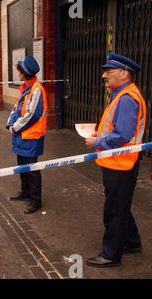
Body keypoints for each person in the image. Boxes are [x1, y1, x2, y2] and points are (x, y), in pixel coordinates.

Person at [85, 53, 147, 267]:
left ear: (123, 74)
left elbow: (123, 134)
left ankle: (111, 254)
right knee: (121, 205)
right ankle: (130, 240)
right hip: (118, 162)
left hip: (121, 163)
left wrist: (97, 143)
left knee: (114, 209)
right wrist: (98, 135)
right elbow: (115, 129)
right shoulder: (121, 94)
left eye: (108, 72)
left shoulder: (128, 98)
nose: (104, 75)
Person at [6, 56, 47, 214]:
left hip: (31, 137)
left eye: (19, 72)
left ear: (25, 73)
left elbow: (32, 115)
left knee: (32, 170)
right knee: (23, 167)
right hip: (22, 137)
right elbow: (16, 109)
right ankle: (25, 192)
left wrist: (15, 128)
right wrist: (10, 123)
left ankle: (36, 200)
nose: (18, 74)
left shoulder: (36, 89)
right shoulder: (26, 88)